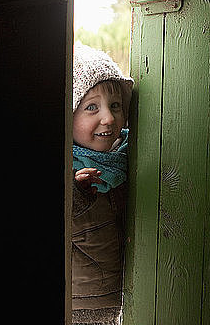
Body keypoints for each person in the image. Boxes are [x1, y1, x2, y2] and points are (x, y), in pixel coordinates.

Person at [71, 43, 134, 325]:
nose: (108, 118)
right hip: (78, 304)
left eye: (116, 105)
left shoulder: (126, 155)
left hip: (121, 299)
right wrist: (75, 192)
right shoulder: (65, 167)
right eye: (91, 107)